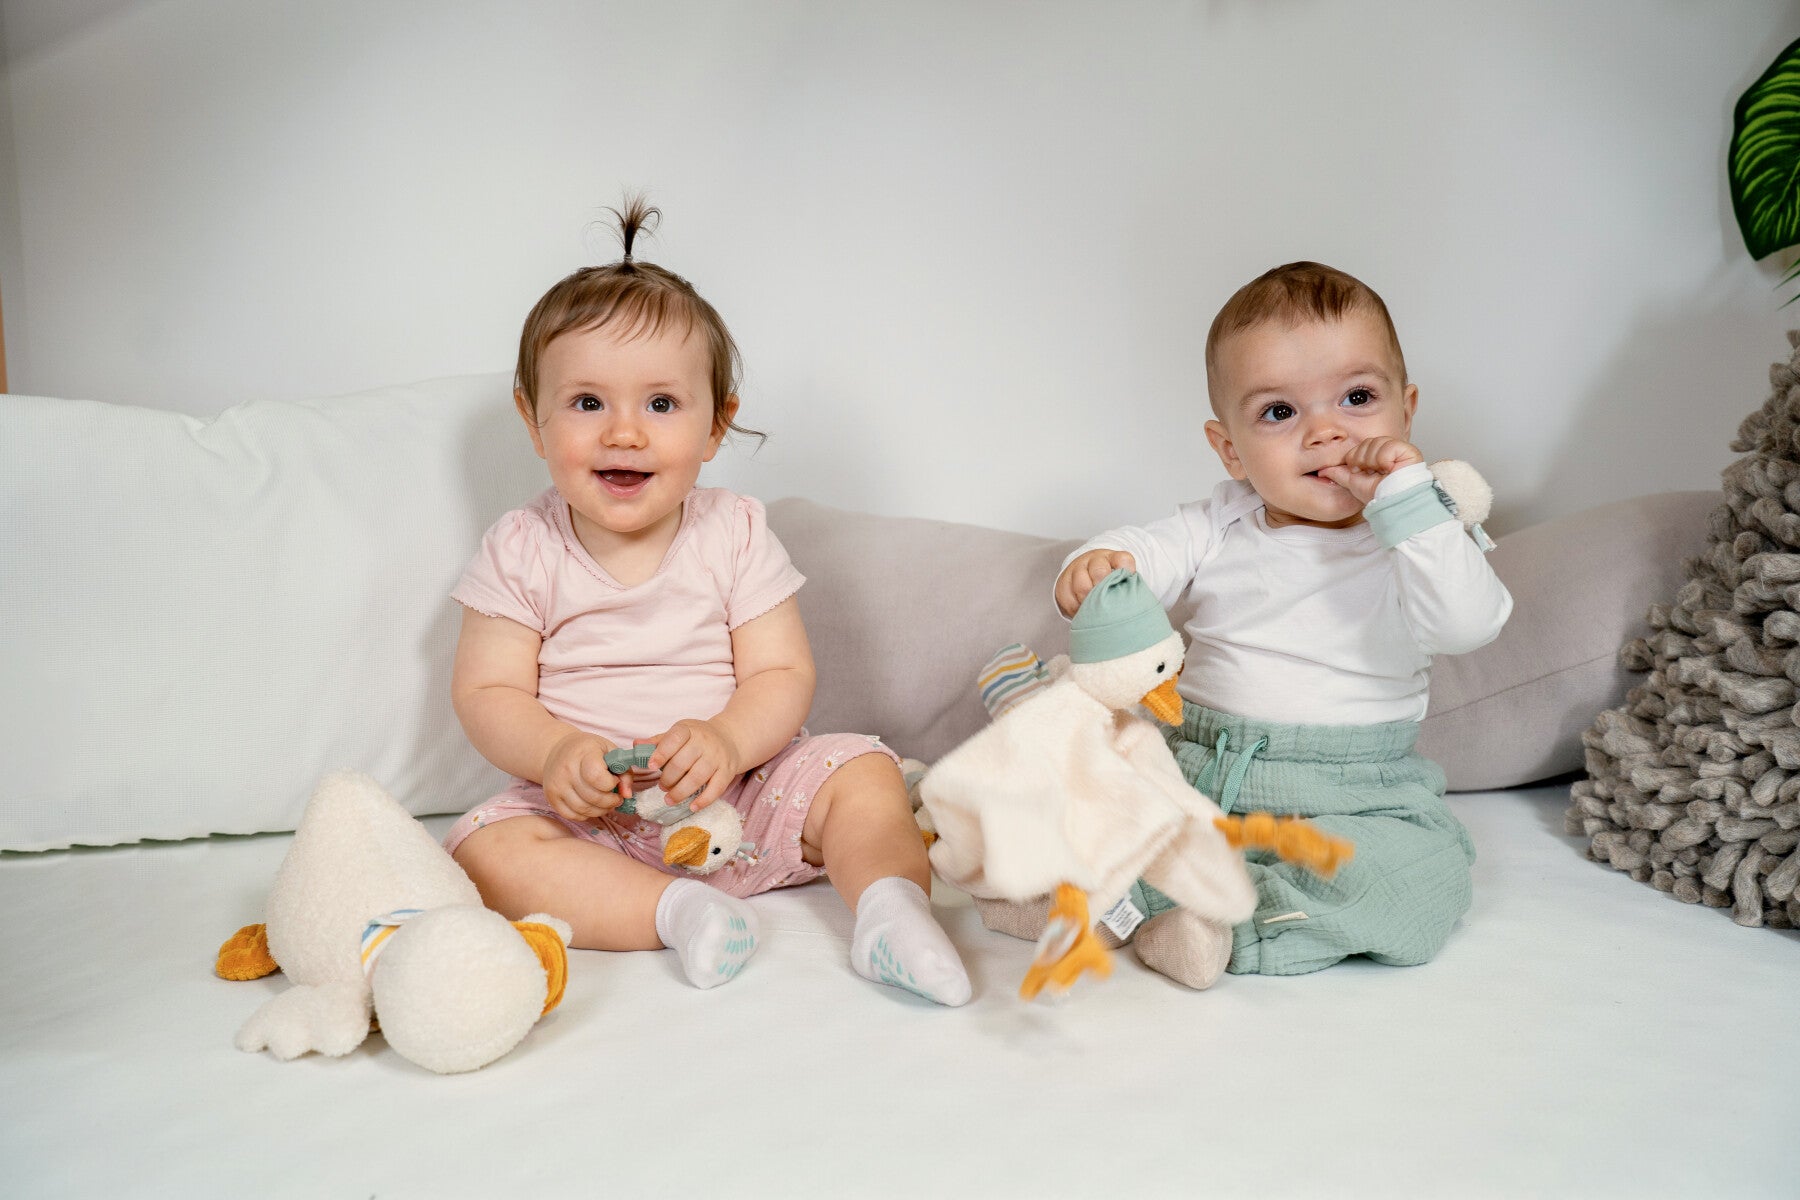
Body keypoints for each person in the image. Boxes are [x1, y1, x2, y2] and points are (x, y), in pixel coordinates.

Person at [441, 199, 970, 1006]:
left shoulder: (733, 531)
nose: (624, 432)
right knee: (486, 853)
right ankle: (679, 913)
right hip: (589, 816)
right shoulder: (521, 547)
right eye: (588, 403)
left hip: (743, 796)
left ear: (717, 425)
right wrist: (553, 754)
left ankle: (891, 913)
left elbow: (782, 673)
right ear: (533, 418)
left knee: (863, 774)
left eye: (661, 404)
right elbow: (486, 690)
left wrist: (728, 739)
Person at [1039, 260, 1513, 985]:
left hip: (1360, 795)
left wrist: (1409, 499)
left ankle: (1217, 926)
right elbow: (1145, 553)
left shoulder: (1422, 535)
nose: (1325, 432)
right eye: (1279, 413)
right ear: (1230, 448)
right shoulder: (1221, 523)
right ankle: (1129, 895)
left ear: (1406, 410)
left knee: (1420, 882)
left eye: (1358, 398)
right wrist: (1099, 565)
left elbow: (1467, 623)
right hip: (1204, 768)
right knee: (1094, 803)